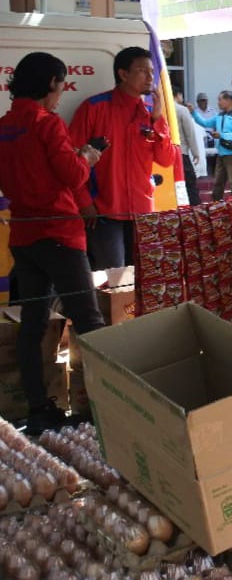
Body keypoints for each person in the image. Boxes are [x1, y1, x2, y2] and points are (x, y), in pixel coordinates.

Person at [0, 52, 106, 434]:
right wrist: (88, 156)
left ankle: (38, 408)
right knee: (90, 322)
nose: (62, 92)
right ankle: (106, 405)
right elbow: (71, 174)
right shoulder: (47, 124)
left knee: (32, 324)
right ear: (50, 84)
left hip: (25, 236)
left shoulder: (4, 125)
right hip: (60, 234)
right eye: (61, 84)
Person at [68, 46, 176, 270]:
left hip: (142, 212)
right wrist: (85, 203)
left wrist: (157, 119)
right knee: (114, 282)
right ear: (123, 74)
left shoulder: (150, 112)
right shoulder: (94, 108)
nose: (150, 77)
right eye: (142, 71)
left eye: (151, 71)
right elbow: (71, 159)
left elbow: (166, 160)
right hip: (105, 212)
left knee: (144, 278)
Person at [190, 91, 232, 201]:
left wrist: (222, 135)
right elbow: (205, 123)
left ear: (229, 101)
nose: (218, 103)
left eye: (220, 100)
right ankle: (216, 209)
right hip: (221, 154)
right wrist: (193, 112)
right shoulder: (219, 115)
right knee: (217, 185)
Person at [173, 90, 203, 206]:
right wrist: (196, 152)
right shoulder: (182, 110)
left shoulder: (162, 109)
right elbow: (190, 133)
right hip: (182, 152)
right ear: (177, 95)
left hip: (166, 153)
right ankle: (195, 210)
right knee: (190, 183)